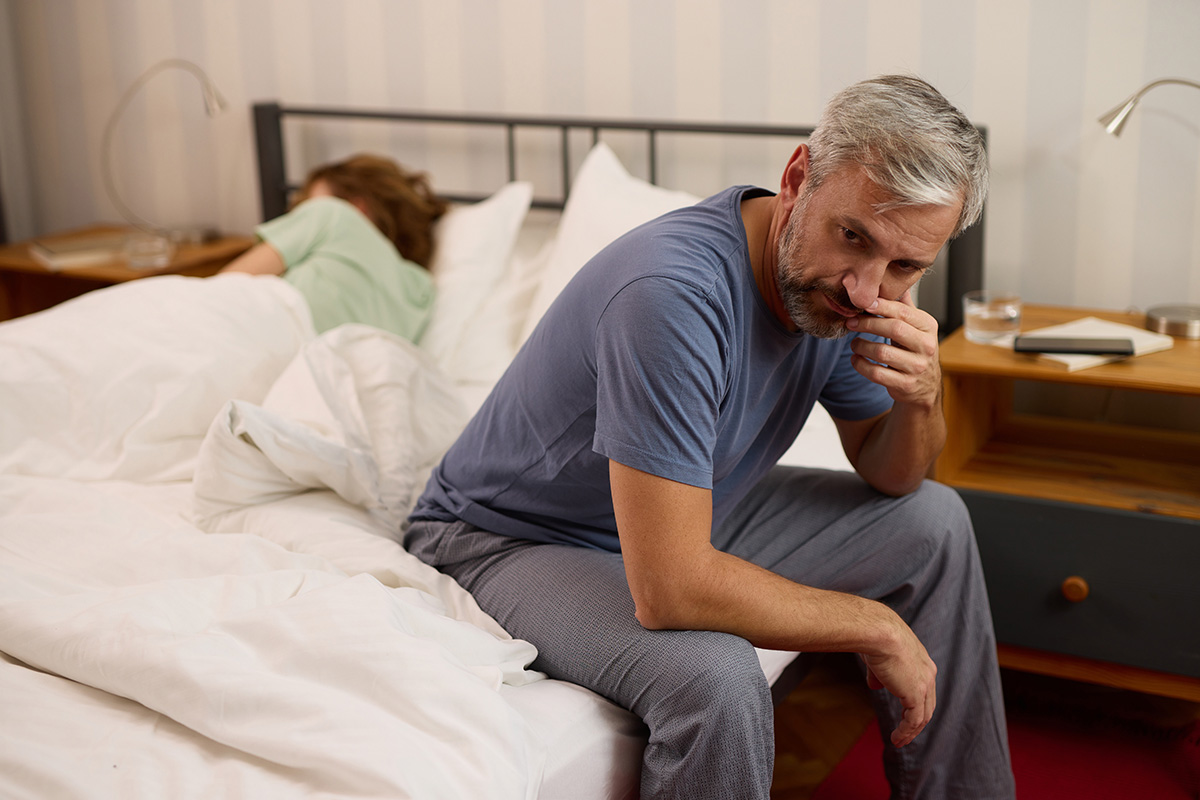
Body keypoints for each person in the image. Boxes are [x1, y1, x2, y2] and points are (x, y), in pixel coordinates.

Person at [405, 75, 1016, 799]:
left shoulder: (843, 295)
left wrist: (922, 400)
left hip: (690, 509)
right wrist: (875, 626)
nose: (866, 288)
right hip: (512, 539)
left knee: (934, 520)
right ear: (797, 180)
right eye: (853, 235)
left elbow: (892, 477)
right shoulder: (672, 295)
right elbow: (670, 589)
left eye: (906, 265)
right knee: (717, 677)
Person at [220, 154, 447, 343]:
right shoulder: (421, 290)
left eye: (307, 205)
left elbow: (223, 290)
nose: (296, 215)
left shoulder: (333, 214)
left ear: (358, 208)